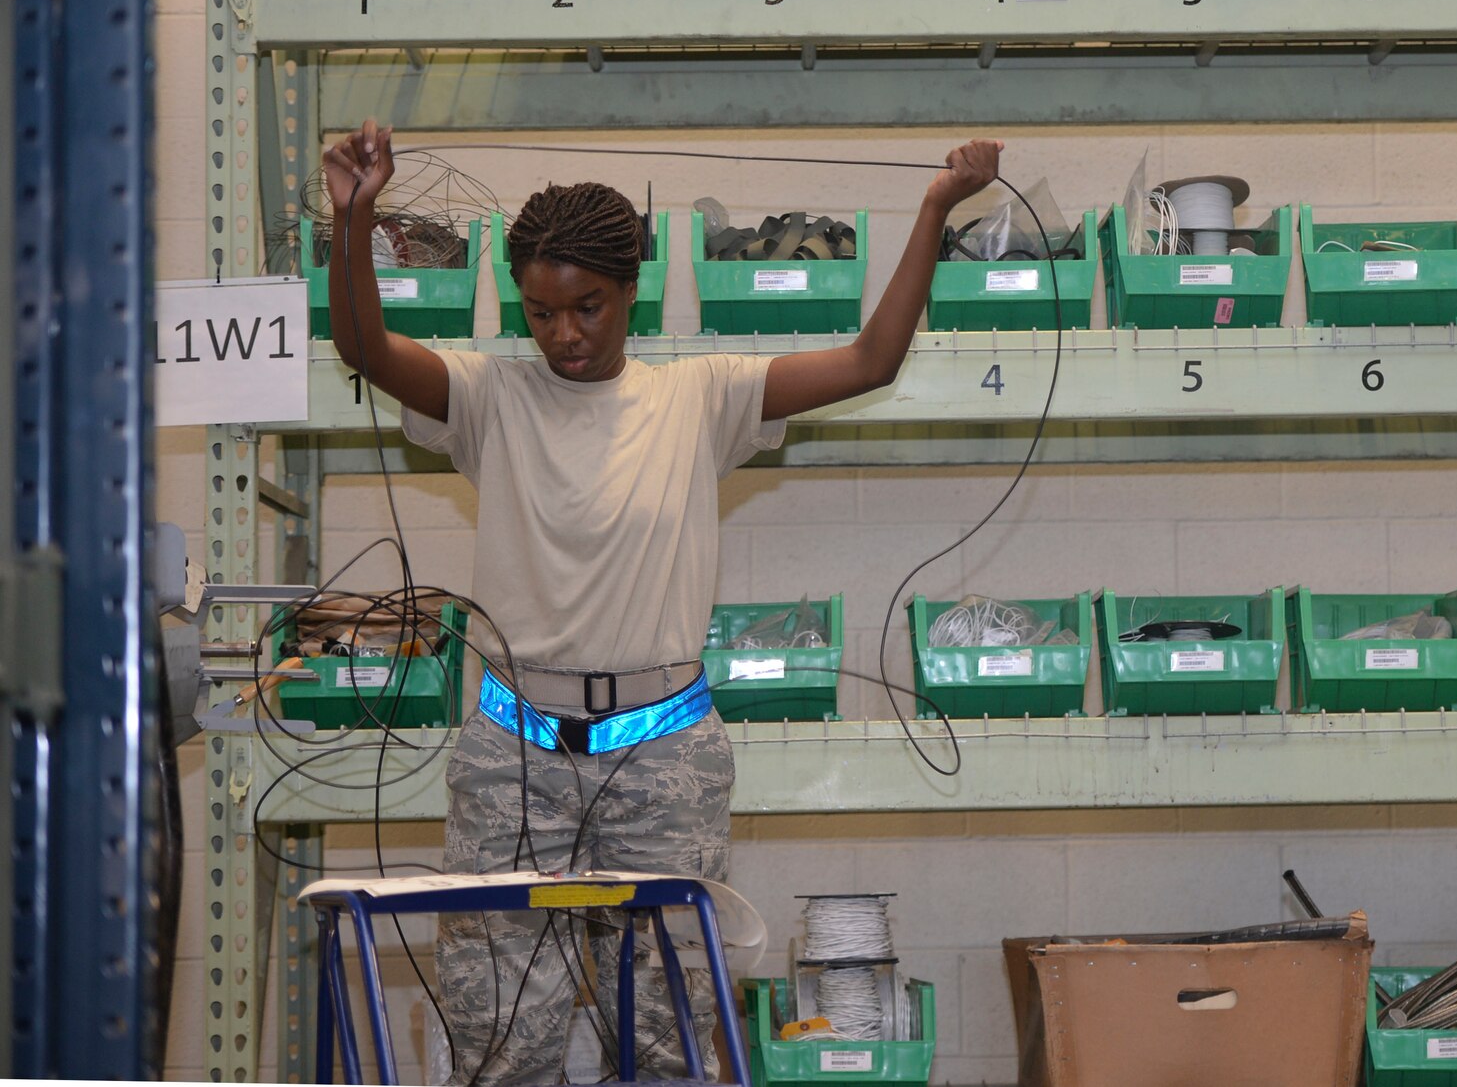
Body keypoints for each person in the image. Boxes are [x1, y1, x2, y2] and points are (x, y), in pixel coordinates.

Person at [320, 120, 1003, 1084]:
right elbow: (365, 345)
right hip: (513, 754)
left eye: (588, 308)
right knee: (501, 1042)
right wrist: (355, 219)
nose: (563, 334)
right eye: (541, 312)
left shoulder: (702, 399)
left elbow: (870, 362)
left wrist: (934, 209)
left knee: (665, 1037)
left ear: (630, 293)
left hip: (664, 759)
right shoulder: (486, 398)